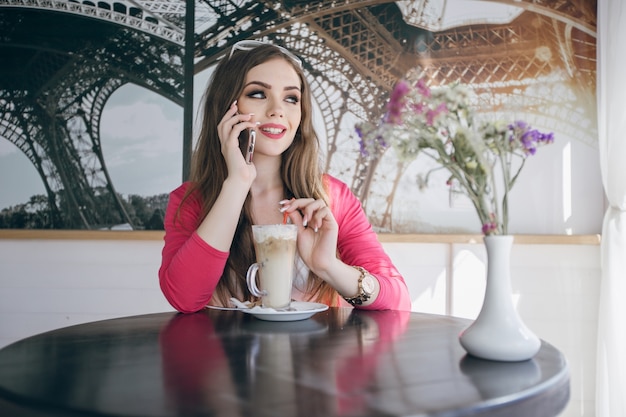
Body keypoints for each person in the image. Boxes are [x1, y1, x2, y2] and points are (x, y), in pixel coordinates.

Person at [159, 40, 411, 313]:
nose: (277, 110)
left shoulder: (332, 197)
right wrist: (237, 183)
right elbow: (184, 298)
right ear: (227, 107)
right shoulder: (190, 200)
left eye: (291, 98)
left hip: (313, 355)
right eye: (257, 94)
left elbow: (398, 301)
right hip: (224, 355)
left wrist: (327, 265)